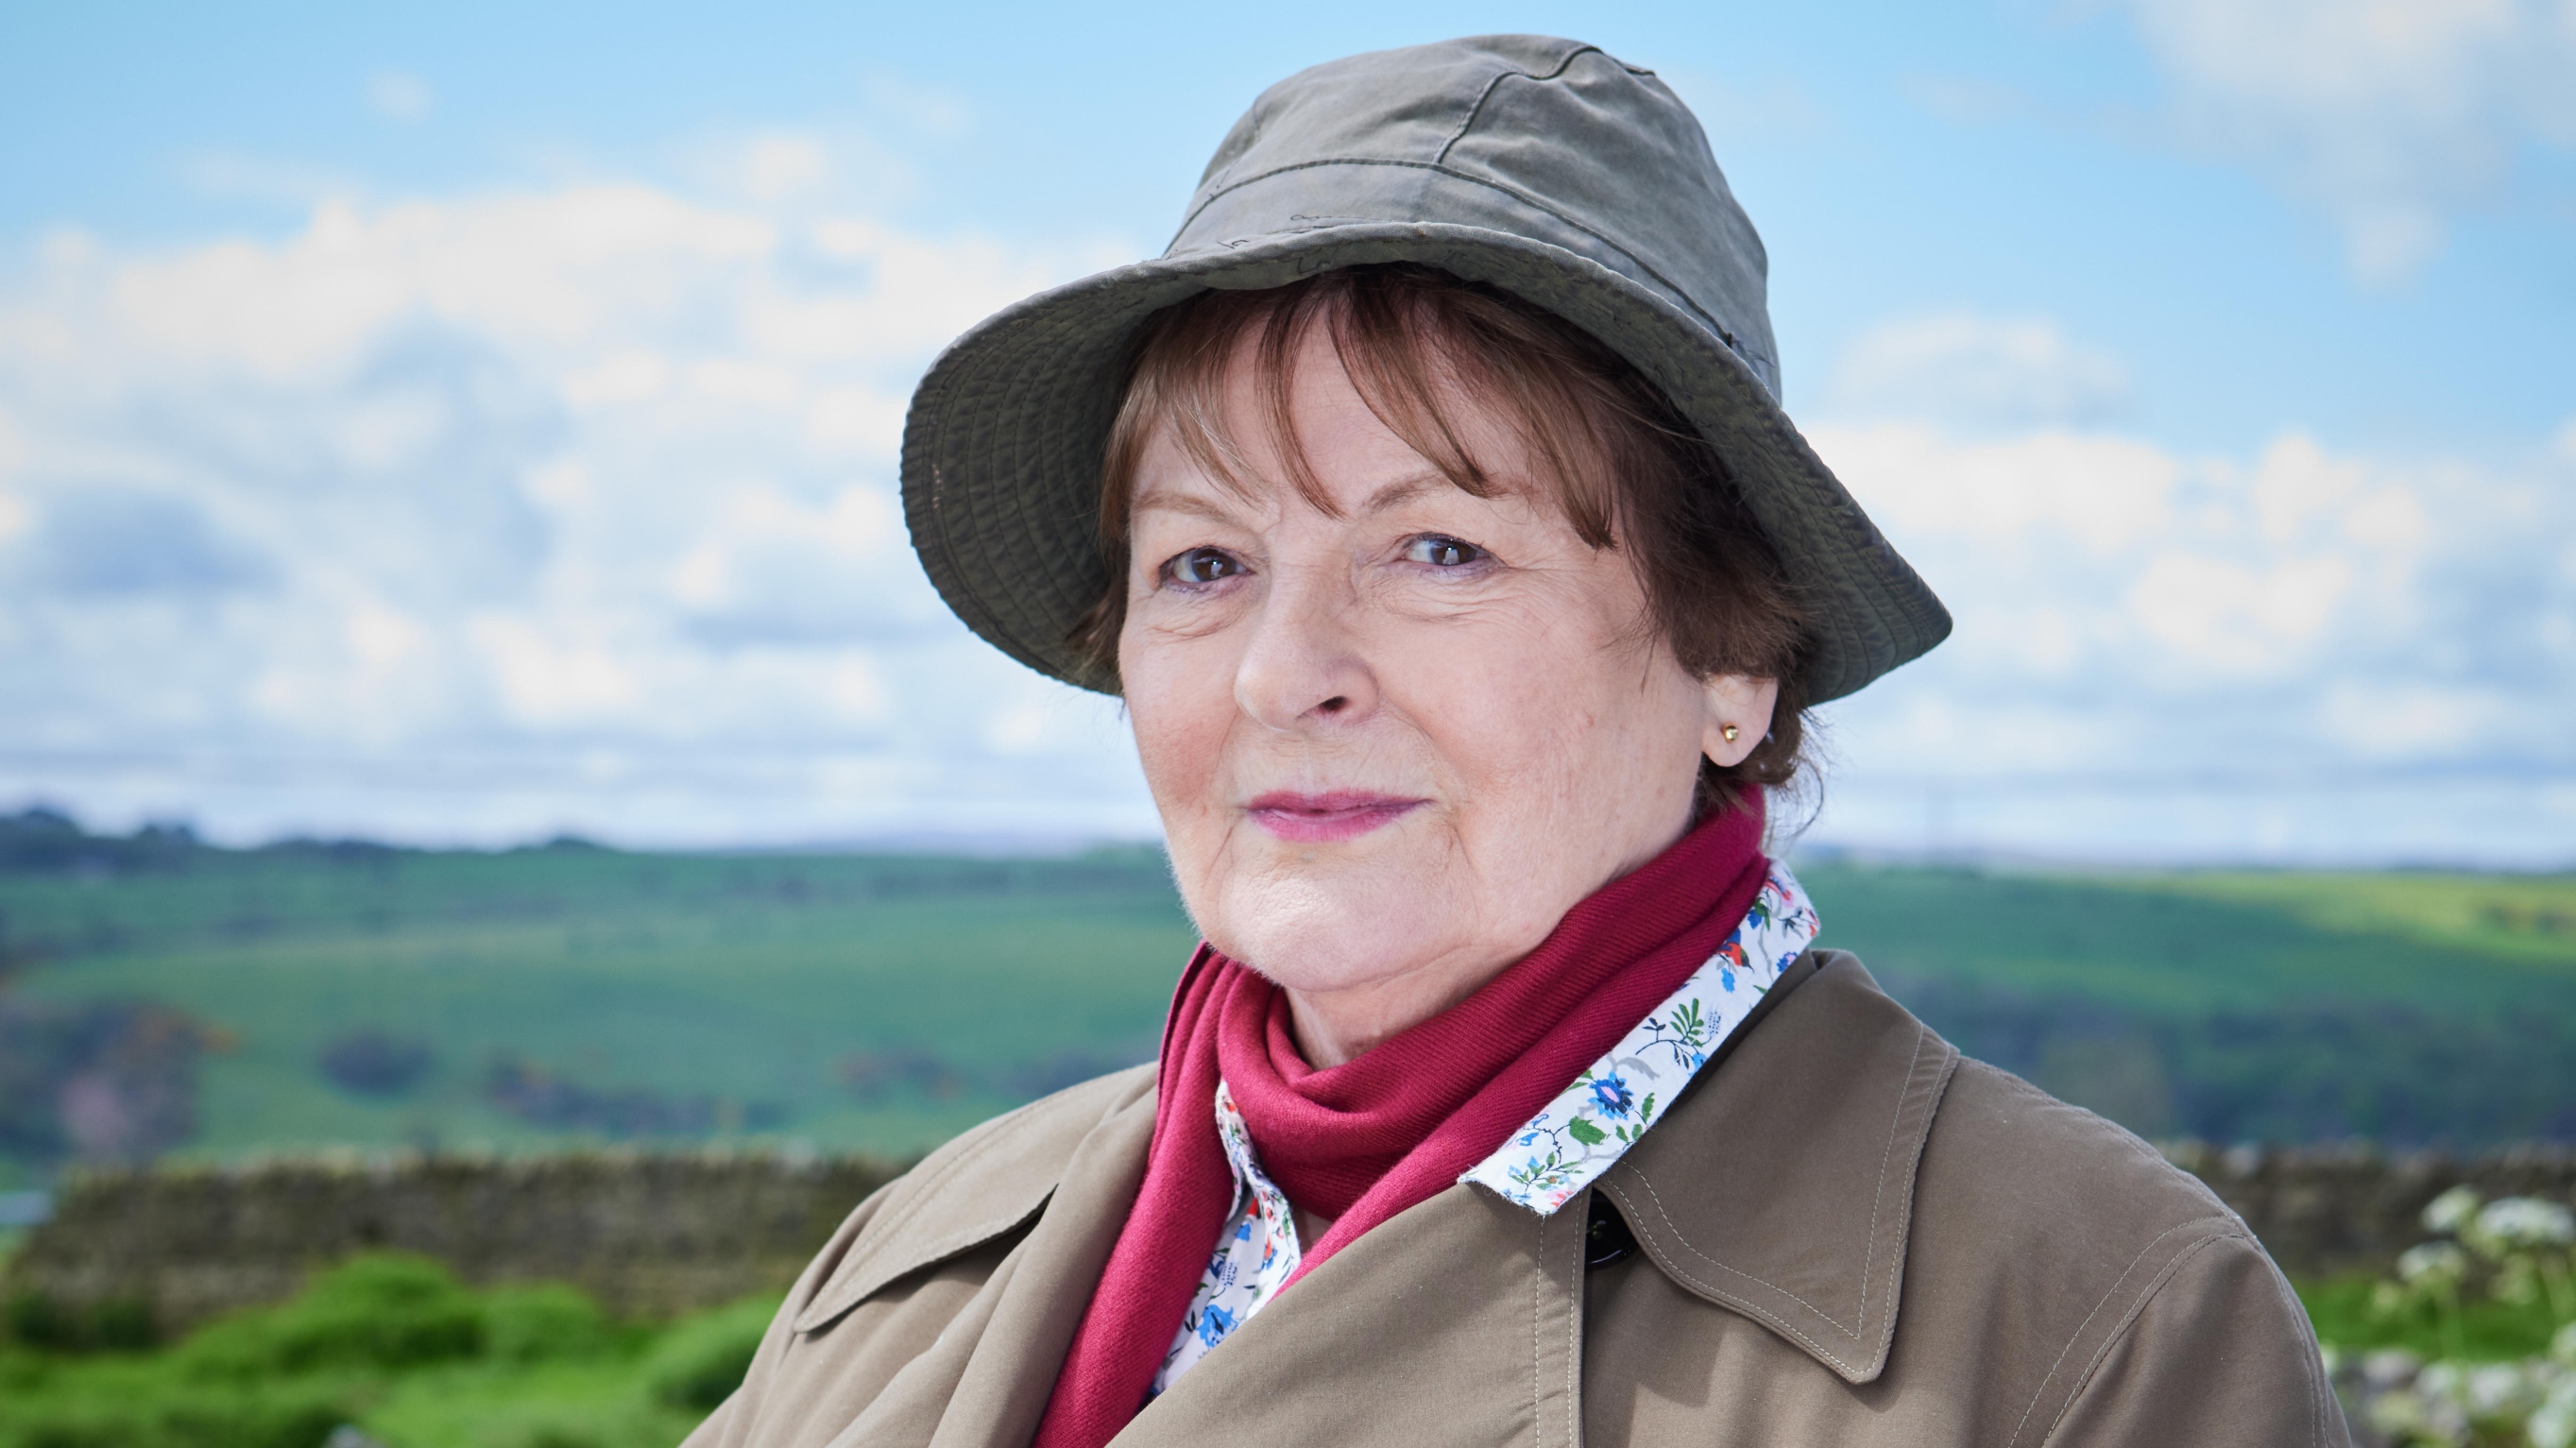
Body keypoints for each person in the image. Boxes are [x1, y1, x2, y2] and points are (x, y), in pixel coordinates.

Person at [685, 35, 2347, 1448]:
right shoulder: (917, 1264)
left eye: (1438, 550)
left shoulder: (2091, 1334)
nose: (1284, 672)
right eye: (1204, 562)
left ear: (1732, 658)